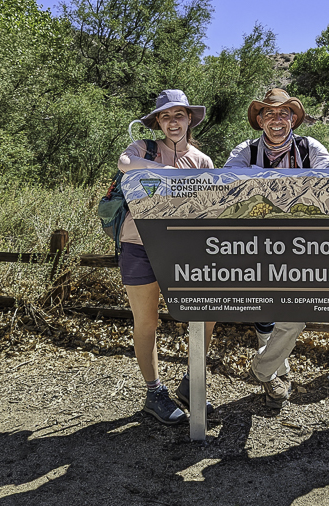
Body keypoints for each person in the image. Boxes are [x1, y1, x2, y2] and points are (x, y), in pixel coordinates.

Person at [224, 88, 329, 408]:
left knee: (296, 313)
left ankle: (263, 369)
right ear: (260, 120)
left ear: (293, 119)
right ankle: (276, 372)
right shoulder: (245, 151)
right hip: (256, 245)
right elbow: (226, 183)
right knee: (264, 310)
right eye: (270, 114)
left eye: (284, 114)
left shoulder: (308, 147)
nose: (277, 120)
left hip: (300, 244)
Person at [117, 89, 216, 424]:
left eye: (179, 115)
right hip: (139, 245)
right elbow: (125, 164)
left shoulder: (203, 162)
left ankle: (192, 383)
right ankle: (154, 392)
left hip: (185, 248)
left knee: (205, 314)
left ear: (190, 119)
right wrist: (168, 174)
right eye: (166, 116)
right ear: (158, 122)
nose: (173, 122)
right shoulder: (143, 149)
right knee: (146, 322)